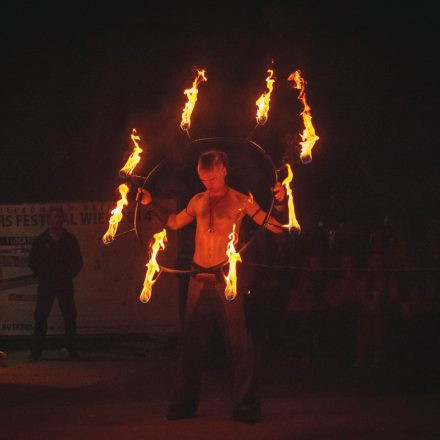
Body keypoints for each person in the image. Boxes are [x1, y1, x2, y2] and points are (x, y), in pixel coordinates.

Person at [138, 149, 287, 423]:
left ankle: (246, 407)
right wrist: (151, 203)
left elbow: (277, 227)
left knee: (239, 345)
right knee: (191, 346)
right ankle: (183, 405)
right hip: (197, 278)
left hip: (225, 281)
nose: (207, 184)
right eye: (203, 179)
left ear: (223, 171)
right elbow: (173, 222)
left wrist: (280, 201)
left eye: (211, 178)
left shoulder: (241, 201)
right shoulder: (197, 200)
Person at [28, 207, 83, 362]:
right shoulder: (41, 240)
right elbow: (32, 261)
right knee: (40, 317)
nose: (57, 220)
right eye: (54, 217)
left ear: (63, 220)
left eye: (59, 217)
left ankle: (72, 351)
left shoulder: (69, 239)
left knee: (69, 316)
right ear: (49, 220)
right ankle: (36, 352)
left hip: (65, 283)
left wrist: (68, 274)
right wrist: (43, 274)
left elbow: (78, 261)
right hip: (46, 284)